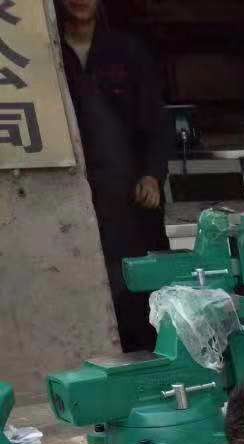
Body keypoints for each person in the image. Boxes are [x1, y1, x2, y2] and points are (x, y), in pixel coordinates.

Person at [57, 0, 170, 352]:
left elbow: (157, 122)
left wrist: (152, 175)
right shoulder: (49, 54)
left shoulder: (126, 51)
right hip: (71, 201)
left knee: (140, 296)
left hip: (130, 198)